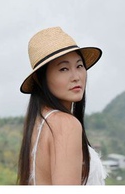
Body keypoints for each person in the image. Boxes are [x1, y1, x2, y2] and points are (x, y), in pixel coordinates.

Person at [17, 27, 106, 186]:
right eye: (63, 69)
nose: (76, 77)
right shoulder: (65, 124)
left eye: (79, 66)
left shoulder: (39, 124)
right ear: (40, 78)